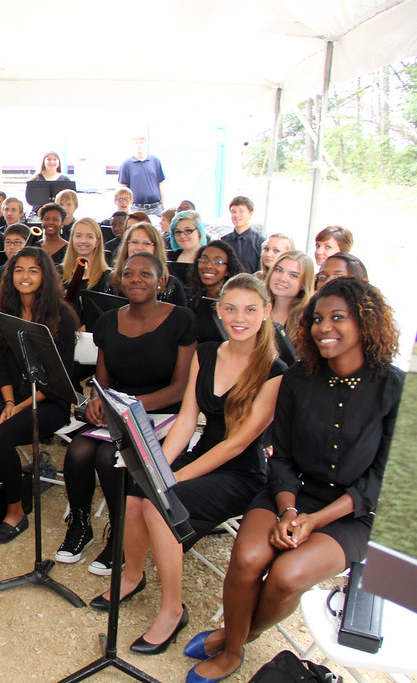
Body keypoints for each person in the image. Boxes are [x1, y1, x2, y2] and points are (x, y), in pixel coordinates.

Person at [186, 277, 403, 683]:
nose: (324, 327)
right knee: (248, 558)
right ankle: (233, 652)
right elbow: (281, 457)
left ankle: (234, 636)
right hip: (289, 492)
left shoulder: (397, 388)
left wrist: (313, 521)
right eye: (317, 319)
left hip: (353, 513)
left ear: (365, 322)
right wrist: (288, 510)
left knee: (288, 575)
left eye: (338, 318)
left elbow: (383, 481)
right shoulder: (298, 378)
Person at [98, 274, 285, 658]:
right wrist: (158, 467)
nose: (239, 318)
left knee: (161, 505)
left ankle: (173, 610)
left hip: (241, 473)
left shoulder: (275, 370)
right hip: (202, 454)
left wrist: (175, 478)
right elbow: (186, 421)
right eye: (231, 309)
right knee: (136, 492)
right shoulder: (207, 352)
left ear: (266, 312)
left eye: (250, 310)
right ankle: (133, 576)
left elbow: (238, 443)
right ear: (219, 310)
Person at [58, 253, 195, 571]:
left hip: (162, 413)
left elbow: (180, 388)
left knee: (109, 456)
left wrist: (129, 406)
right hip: (117, 411)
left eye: (145, 274)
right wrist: (97, 400)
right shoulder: (108, 321)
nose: (136, 279)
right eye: (129, 273)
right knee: (78, 451)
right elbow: (101, 380)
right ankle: (80, 525)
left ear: (161, 282)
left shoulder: (182, 320)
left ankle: (121, 534)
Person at [0, 247, 77, 543]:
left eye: (33, 270)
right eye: (19, 270)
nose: (25, 276)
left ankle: (15, 512)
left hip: (50, 400)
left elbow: (58, 378)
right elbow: (1, 364)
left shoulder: (63, 316)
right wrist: (10, 401)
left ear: (45, 276)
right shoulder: (5, 312)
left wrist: (20, 406)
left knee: (2, 436)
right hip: (14, 395)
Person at [110, 222, 187, 306]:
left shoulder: (172, 285)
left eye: (146, 243)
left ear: (156, 248)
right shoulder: (111, 279)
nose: (139, 247)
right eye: (135, 242)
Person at [186, 241, 244, 343]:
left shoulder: (236, 302)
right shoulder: (195, 300)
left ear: (227, 270)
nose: (208, 265)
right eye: (204, 260)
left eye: (218, 262)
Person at [265, 250, 314, 363]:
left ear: (303, 284)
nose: (282, 278)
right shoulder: (257, 308)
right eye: (279, 270)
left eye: (293, 275)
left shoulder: (307, 320)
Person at [119, 135, 166, 216]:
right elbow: (123, 188)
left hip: (156, 208)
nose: (139, 145)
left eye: (141, 142)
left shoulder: (155, 161)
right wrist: (127, 209)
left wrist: (163, 206)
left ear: (146, 143)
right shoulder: (126, 164)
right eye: (136, 142)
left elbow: (161, 184)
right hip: (137, 208)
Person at [61, 218, 111, 293]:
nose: (83, 241)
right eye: (78, 236)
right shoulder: (59, 272)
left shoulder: (108, 277)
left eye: (90, 236)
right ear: (72, 239)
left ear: (97, 241)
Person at [221, 196, 264, 274]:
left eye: (241, 211)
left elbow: (261, 272)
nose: (236, 215)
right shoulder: (224, 241)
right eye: (234, 211)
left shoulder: (260, 242)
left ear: (250, 213)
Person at [168, 210, 208, 284]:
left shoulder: (208, 258)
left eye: (188, 230)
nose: (182, 236)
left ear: (199, 232)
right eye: (178, 232)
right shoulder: (169, 257)